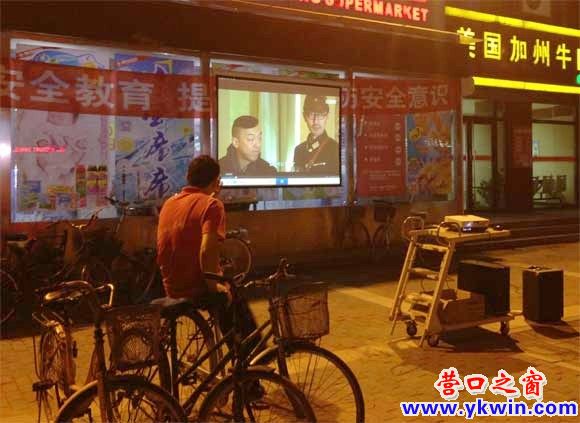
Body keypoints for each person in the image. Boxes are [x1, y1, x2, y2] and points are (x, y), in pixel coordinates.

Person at [156, 155, 259, 349]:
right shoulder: (212, 206)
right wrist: (214, 286)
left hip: (171, 286)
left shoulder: (170, 203)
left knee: (226, 290)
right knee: (232, 295)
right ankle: (249, 358)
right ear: (215, 181)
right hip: (194, 287)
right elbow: (206, 251)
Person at [293, 95, 339, 174]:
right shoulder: (299, 150)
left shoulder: (335, 149)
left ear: (327, 116)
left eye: (320, 115)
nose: (316, 121)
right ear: (304, 117)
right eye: (311, 114)